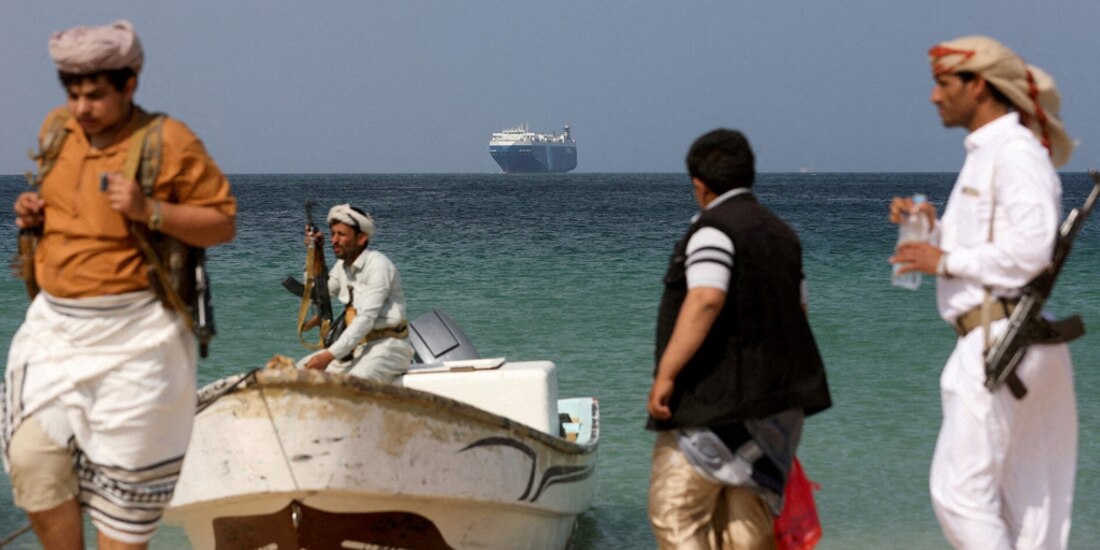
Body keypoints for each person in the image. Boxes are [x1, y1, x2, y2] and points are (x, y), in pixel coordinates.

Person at [1, 20, 237, 549]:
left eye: (96, 95)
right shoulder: (57, 129)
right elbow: (70, 204)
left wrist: (149, 209)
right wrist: (33, 215)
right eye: (74, 94)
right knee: (32, 462)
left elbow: (223, 223)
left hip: (140, 338)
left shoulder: (169, 141)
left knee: (125, 499)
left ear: (129, 84)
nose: (83, 107)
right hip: (55, 332)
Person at [890, 36, 1077, 549]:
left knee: (960, 493)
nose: (934, 96)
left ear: (977, 86)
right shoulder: (990, 154)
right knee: (1030, 503)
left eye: (943, 84)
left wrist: (944, 260)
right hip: (1014, 341)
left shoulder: (1014, 153)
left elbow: (1032, 249)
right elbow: (992, 242)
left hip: (1001, 341)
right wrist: (931, 229)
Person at [646, 129, 831, 549]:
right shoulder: (783, 235)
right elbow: (798, 312)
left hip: (712, 406)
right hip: (774, 413)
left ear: (699, 184)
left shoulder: (712, 230)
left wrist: (667, 374)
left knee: (676, 513)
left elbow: (707, 299)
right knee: (748, 527)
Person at [297, 203, 414, 382]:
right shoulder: (342, 267)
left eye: (341, 234)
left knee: (353, 384)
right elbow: (317, 295)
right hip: (355, 349)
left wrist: (329, 355)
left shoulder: (378, 266)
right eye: (333, 234)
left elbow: (366, 319)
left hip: (389, 347)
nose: (334, 240)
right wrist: (315, 253)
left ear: (361, 238)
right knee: (295, 375)